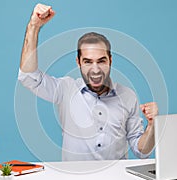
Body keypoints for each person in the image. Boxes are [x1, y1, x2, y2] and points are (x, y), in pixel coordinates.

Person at [18, 3, 158, 161]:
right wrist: (34, 26)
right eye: (88, 62)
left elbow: (142, 152)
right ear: (78, 62)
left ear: (110, 60)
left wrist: (152, 125)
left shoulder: (128, 96)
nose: (96, 69)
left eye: (102, 61)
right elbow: (28, 77)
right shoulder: (65, 89)